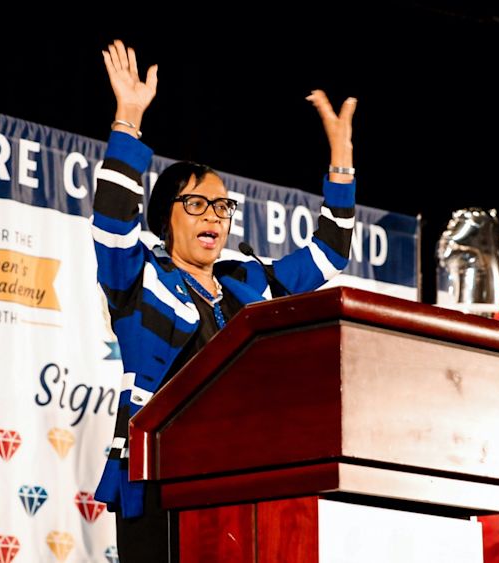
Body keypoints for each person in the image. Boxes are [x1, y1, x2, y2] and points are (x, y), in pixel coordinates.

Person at [91, 39, 358, 561]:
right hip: (159, 479)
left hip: (242, 479)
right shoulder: (138, 276)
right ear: (166, 215)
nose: (213, 214)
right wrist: (128, 119)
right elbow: (112, 224)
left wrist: (341, 156)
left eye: (221, 204)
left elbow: (329, 254)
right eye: (196, 203)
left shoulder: (248, 281)